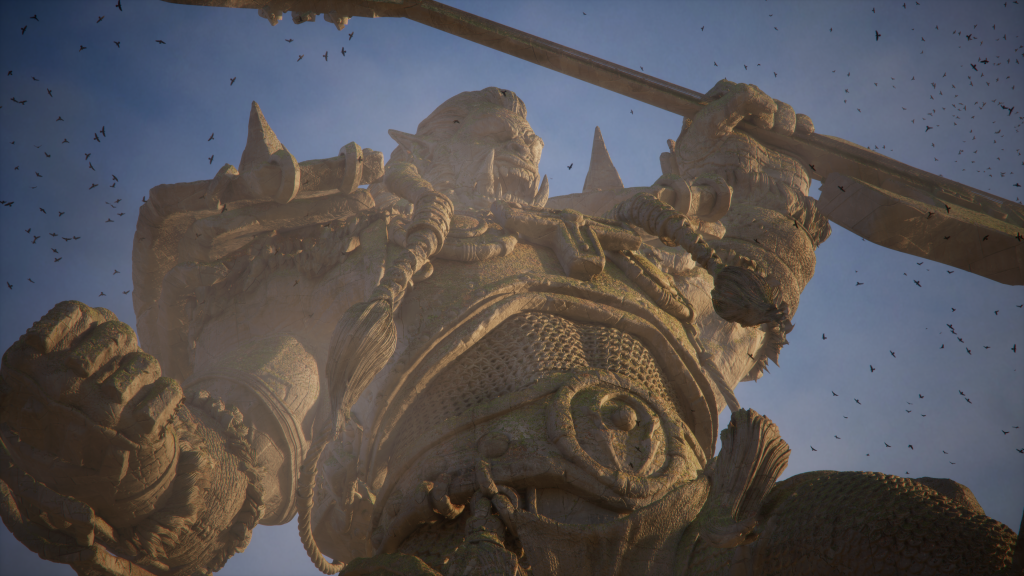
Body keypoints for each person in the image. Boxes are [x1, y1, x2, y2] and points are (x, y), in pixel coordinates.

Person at [0, 84, 1016, 576]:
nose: (512, 155)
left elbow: (748, 300)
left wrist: (750, 174)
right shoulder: (371, 255)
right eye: (480, 137)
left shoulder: (627, 253)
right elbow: (254, 440)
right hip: (472, 547)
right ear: (426, 147)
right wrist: (146, 463)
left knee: (924, 536)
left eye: (523, 142)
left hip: (694, 529)